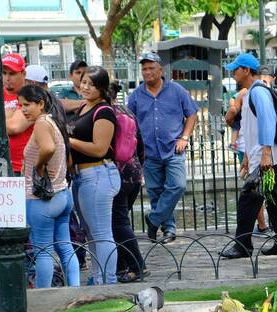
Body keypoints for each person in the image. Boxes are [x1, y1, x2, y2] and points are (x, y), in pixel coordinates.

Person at [221, 53, 277, 260]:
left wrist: (266, 154)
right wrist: (247, 157)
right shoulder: (252, 92)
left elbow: (268, 121)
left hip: (265, 160)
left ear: (246, 70)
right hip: (260, 158)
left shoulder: (258, 92)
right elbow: (250, 126)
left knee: (248, 200)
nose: (233, 73)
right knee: (273, 199)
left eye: (236, 69)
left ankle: (243, 245)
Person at [128, 51, 198, 244]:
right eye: (144, 69)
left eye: (151, 68)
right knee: (156, 192)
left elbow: (192, 114)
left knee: (177, 185)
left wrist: (184, 137)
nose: (147, 72)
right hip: (148, 152)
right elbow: (129, 122)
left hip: (173, 149)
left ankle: (153, 219)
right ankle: (168, 230)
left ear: (161, 69)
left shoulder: (177, 90)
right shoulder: (135, 96)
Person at [19, 84, 80, 289]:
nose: (24, 110)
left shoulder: (42, 123)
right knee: (65, 247)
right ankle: (74, 291)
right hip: (62, 194)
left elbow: (47, 148)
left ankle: (43, 297)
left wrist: (39, 166)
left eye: (27, 105)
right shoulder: (55, 122)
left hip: (43, 199)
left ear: (41, 104)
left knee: (42, 251)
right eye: (20, 106)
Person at [68, 66, 123, 285]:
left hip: (98, 172)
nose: (86, 87)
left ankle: (109, 282)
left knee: (101, 233)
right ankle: (99, 278)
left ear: (101, 87)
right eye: (83, 82)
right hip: (81, 175)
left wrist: (69, 141)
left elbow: (100, 148)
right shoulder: (83, 107)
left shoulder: (104, 111)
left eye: (91, 84)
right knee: (90, 233)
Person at [103, 79, 146, 283]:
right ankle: (120, 266)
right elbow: (141, 146)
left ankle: (137, 265)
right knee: (118, 221)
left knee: (118, 222)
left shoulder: (106, 115)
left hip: (116, 173)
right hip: (133, 173)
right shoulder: (127, 112)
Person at [226, 84, 269, 235]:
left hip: (253, 151)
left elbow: (231, 112)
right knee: (256, 190)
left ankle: (262, 227)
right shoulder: (250, 92)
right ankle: (262, 227)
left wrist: (231, 120)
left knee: (254, 191)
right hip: (249, 150)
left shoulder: (247, 91)